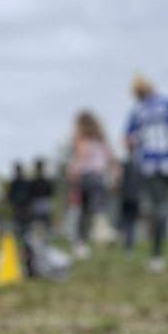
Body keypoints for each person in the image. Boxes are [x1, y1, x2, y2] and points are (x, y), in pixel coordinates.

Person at [125, 74, 168, 272]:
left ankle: (157, 256)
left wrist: (134, 151)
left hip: (150, 163)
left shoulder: (137, 111)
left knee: (157, 206)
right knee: (164, 202)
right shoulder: (167, 104)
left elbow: (128, 141)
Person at [68, 110, 115, 258]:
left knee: (83, 211)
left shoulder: (82, 139)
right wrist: (114, 175)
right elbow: (110, 158)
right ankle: (102, 232)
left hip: (86, 177)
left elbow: (82, 155)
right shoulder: (101, 141)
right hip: (100, 177)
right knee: (98, 207)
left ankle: (81, 243)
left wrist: (73, 170)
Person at [117, 151, 143, 251]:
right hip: (129, 196)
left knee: (129, 221)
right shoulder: (133, 165)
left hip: (131, 197)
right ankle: (127, 244)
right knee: (128, 221)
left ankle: (127, 244)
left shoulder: (128, 164)